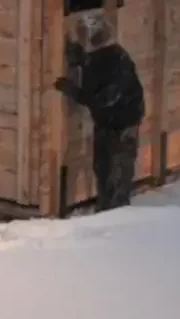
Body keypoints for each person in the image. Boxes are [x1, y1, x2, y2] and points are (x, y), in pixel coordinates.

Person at [53, 13, 145, 213]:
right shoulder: (98, 57)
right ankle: (104, 215)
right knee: (103, 172)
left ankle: (115, 221)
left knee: (117, 179)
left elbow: (104, 99)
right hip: (105, 125)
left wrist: (74, 91)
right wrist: (75, 54)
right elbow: (88, 62)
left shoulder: (117, 62)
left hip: (123, 127)